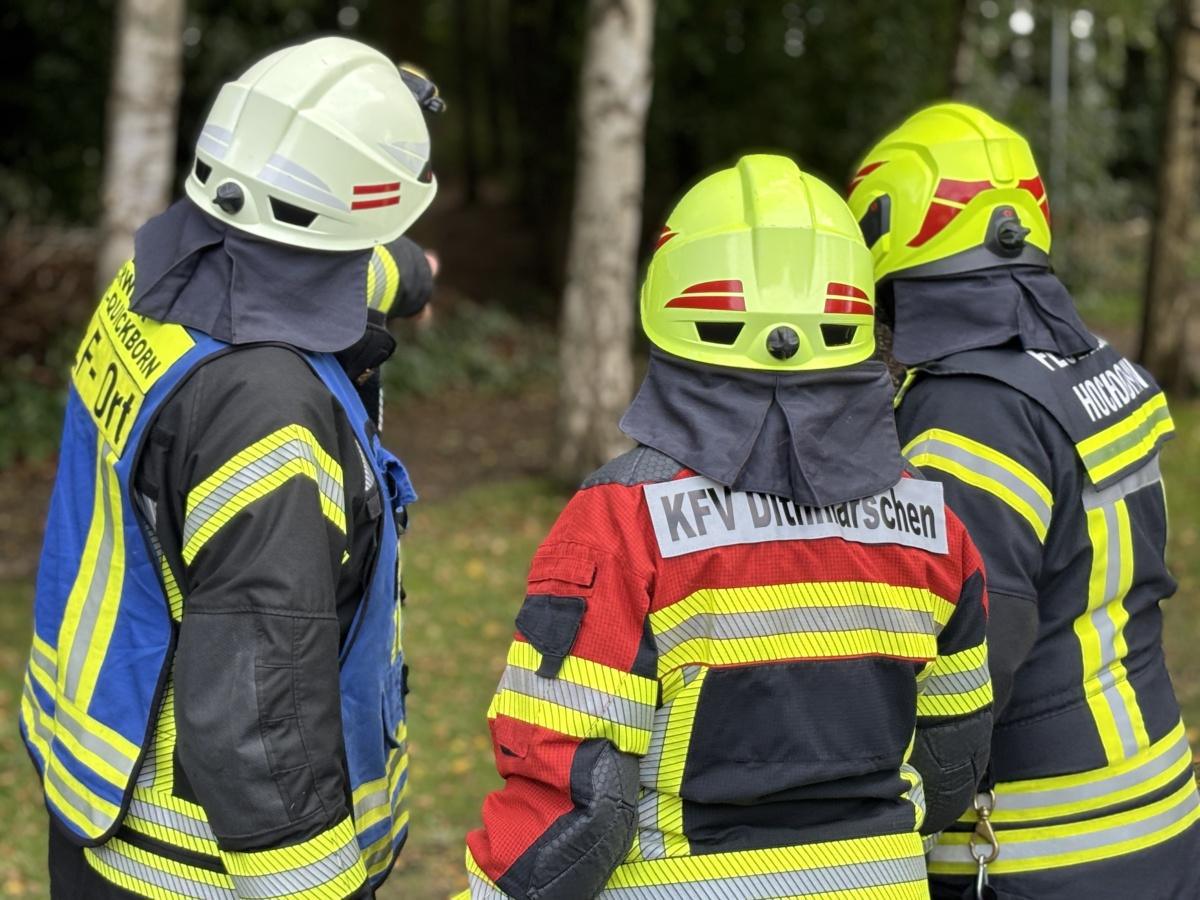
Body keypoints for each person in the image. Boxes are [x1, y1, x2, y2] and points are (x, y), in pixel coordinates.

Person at [456, 154, 994, 900]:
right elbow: (952, 762)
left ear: (670, 308)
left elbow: (576, 809)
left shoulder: (620, 523)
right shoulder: (935, 529)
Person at [20, 36, 442, 899]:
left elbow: (336, 273)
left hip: (92, 789)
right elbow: (260, 709)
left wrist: (411, 272)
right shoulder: (268, 411)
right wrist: (318, 886)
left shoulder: (163, 275)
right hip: (196, 864)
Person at [848, 102, 1200, 899]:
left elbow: (970, 663)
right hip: (1154, 816)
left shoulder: (968, 406)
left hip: (1040, 853)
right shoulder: (1087, 368)